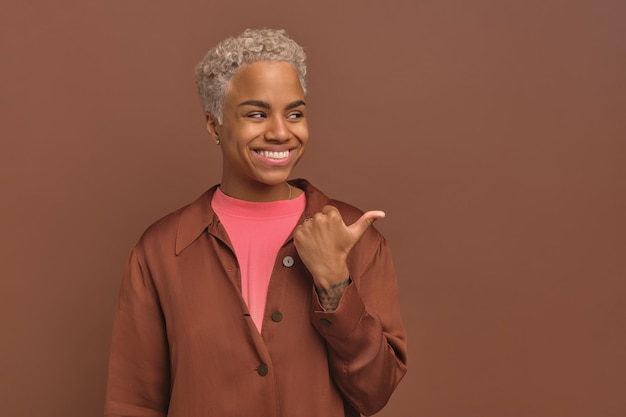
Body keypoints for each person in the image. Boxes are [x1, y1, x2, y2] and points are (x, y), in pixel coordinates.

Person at [104, 28, 407, 417]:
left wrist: (334, 282)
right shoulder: (161, 250)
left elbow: (375, 393)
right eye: (257, 114)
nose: (281, 132)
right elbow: (134, 402)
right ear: (214, 125)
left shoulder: (357, 238)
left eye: (294, 113)